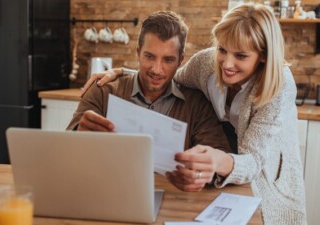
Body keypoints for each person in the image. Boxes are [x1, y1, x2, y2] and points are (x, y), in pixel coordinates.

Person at [82, 3, 307, 224]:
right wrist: (123, 73)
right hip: (227, 155)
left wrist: (219, 161)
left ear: (264, 56)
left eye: (240, 56)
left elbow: (254, 161)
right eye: (222, 50)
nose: (227, 64)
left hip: (268, 169)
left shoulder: (280, 87)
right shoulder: (206, 64)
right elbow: (168, 75)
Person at [67, 11, 231, 170]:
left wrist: (204, 170)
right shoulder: (103, 90)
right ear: (138, 52)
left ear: (181, 60)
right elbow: (67, 148)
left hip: (174, 195)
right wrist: (79, 134)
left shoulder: (197, 104)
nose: (157, 70)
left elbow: (219, 157)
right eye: (150, 57)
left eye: (168, 60)